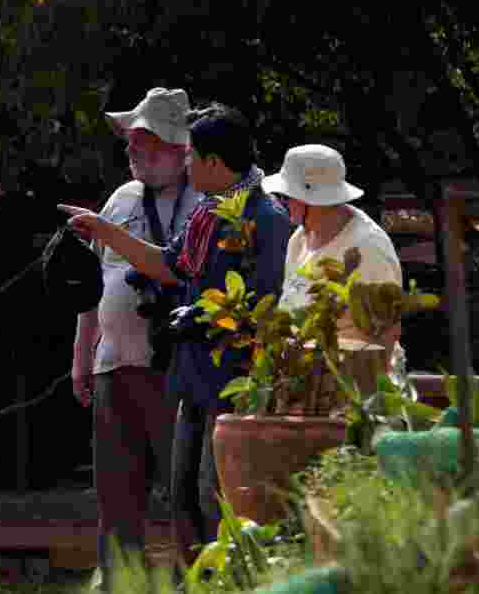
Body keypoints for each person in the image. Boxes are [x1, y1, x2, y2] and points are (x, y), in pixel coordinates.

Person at [60, 104, 294, 571]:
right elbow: (170, 263)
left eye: (193, 157)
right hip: (192, 377)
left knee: (216, 500)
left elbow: (267, 303)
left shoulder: (265, 215)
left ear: (212, 163)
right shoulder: (209, 212)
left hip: (231, 381)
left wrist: (204, 317)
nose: (186, 165)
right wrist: (103, 229)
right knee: (184, 498)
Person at [70, 88, 202, 592]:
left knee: (185, 491)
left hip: (174, 368)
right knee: (115, 497)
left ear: (180, 148)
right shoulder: (120, 199)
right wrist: (82, 356)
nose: (134, 152)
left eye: (147, 143)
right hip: (113, 366)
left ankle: (197, 583)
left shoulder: (204, 200)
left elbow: (180, 271)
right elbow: (91, 285)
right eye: (130, 143)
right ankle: (116, 585)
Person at [261, 144, 408, 383]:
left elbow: (387, 333)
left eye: (288, 196)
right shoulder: (298, 239)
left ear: (313, 198)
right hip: (305, 383)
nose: (284, 202)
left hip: (355, 387)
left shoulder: (366, 247)